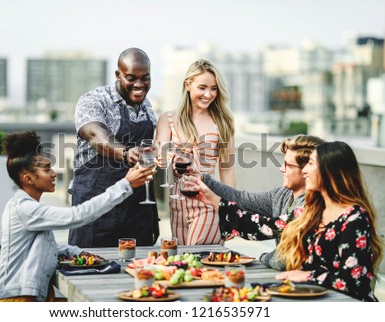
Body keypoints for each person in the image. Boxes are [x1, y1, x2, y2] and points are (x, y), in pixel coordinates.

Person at [0, 131, 154, 302]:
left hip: (31, 295)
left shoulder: (24, 206)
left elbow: (42, 246)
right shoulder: (24, 209)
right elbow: (77, 216)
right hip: (19, 301)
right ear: (28, 179)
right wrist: (125, 185)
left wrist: (78, 252)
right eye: (47, 169)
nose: (54, 174)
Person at [187, 135, 325, 269]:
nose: (281, 168)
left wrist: (263, 257)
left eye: (287, 165)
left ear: (308, 170)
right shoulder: (283, 194)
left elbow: (270, 234)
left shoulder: (312, 203)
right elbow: (241, 198)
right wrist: (204, 179)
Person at [68, 48, 159, 248]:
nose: (139, 84)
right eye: (131, 78)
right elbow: (95, 134)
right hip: (94, 207)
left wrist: (152, 215)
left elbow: (148, 162)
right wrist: (125, 153)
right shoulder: (95, 100)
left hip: (136, 212)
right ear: (118, 75)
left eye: (145, 78)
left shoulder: (148, 107)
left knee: (138, 272)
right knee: (88, 272)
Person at [274, 141, 383, 302]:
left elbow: (353, 281)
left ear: (329, 171)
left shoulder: (355, 218)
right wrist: (223, 202)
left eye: (310, 163)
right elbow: (266, 226)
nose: (304, 170)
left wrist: (307, 276)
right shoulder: (313, 210)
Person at [155, 59, 236, 245]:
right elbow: (159, 159)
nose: (209, 94)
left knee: (198, 256)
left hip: (208, 202)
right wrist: (167, 155)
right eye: (202, 87)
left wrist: (232, 211)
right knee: (184, 263)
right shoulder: (167, 119)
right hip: (177, 204)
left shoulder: (223, 123)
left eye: (214, 88)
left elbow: (228, 170)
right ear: (188, 85)